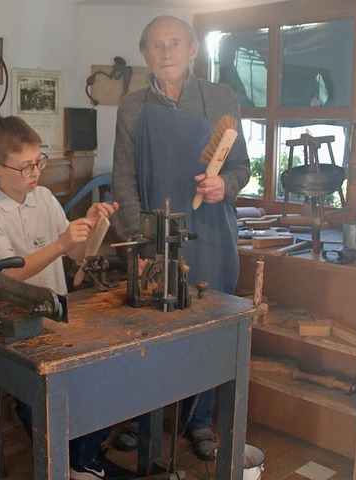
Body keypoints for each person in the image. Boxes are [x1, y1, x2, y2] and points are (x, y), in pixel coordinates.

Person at [111, 15, 251, 461]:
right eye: (156, 45)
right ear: (145, 54)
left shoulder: (220, 97)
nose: (166, 52)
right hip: (155, 234)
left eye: (174, 43)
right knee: (148, 330)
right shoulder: (132, 106)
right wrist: (138, 241)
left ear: (193, 50)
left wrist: (222, 187)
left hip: (210, 233)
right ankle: (139, 416)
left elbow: (241, 168)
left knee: (207, 327)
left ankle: (200, 419)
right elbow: (124, 180)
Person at [0, 116, 132, 480]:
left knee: (108, 374)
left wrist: (89, 224)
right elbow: (5, 278)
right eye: (24, 166)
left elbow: (76, 256)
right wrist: (60, 244)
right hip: (12, 327)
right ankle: (72, 461)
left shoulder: (43, 197)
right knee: (40, 397)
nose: (34, 172)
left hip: (56, 317)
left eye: (39, 161)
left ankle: (81, 460)